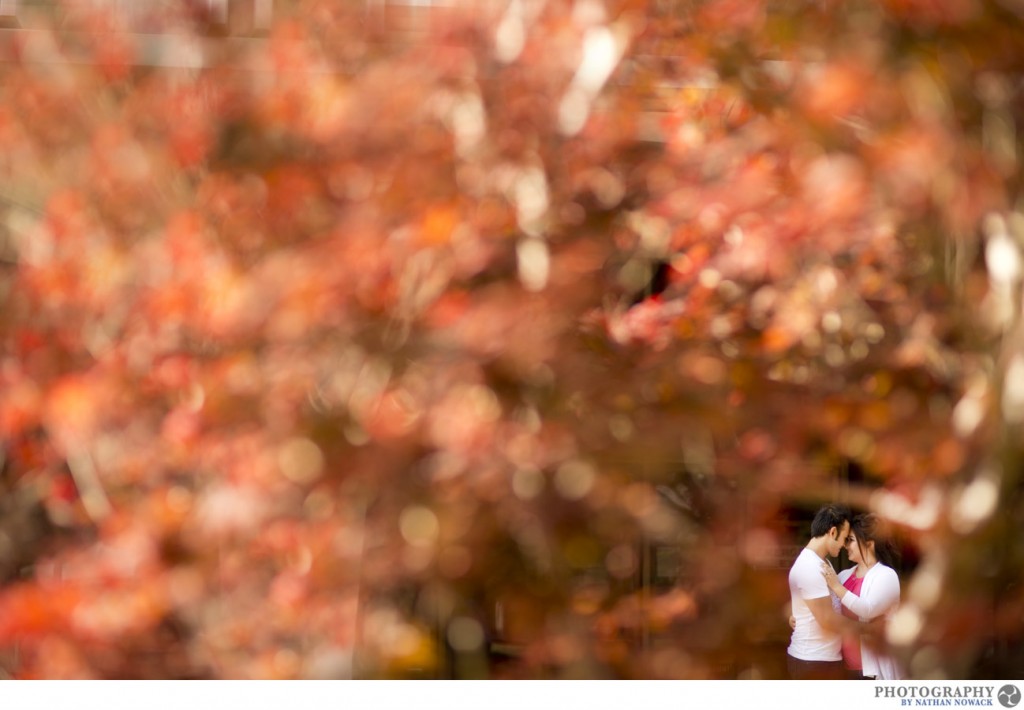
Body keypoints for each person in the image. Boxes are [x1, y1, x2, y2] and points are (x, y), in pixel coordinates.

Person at [822, 513, 904, 680]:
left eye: (850, 540)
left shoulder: (886, 575)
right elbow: (826, 607)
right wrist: (799, 618)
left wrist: (836, 587)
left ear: (869, 544)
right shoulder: (844, 575)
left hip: (872, 670)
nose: (846, 546)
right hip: (842, 665)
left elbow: (868, 610)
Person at [786, 504, 852, 679]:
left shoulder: (821, 562)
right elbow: (827, 621)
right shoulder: (809, 566)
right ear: (832, 532)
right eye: (844, 538)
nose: (845, 545)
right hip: (812, 661)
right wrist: (868, 629)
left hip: (821, 659)